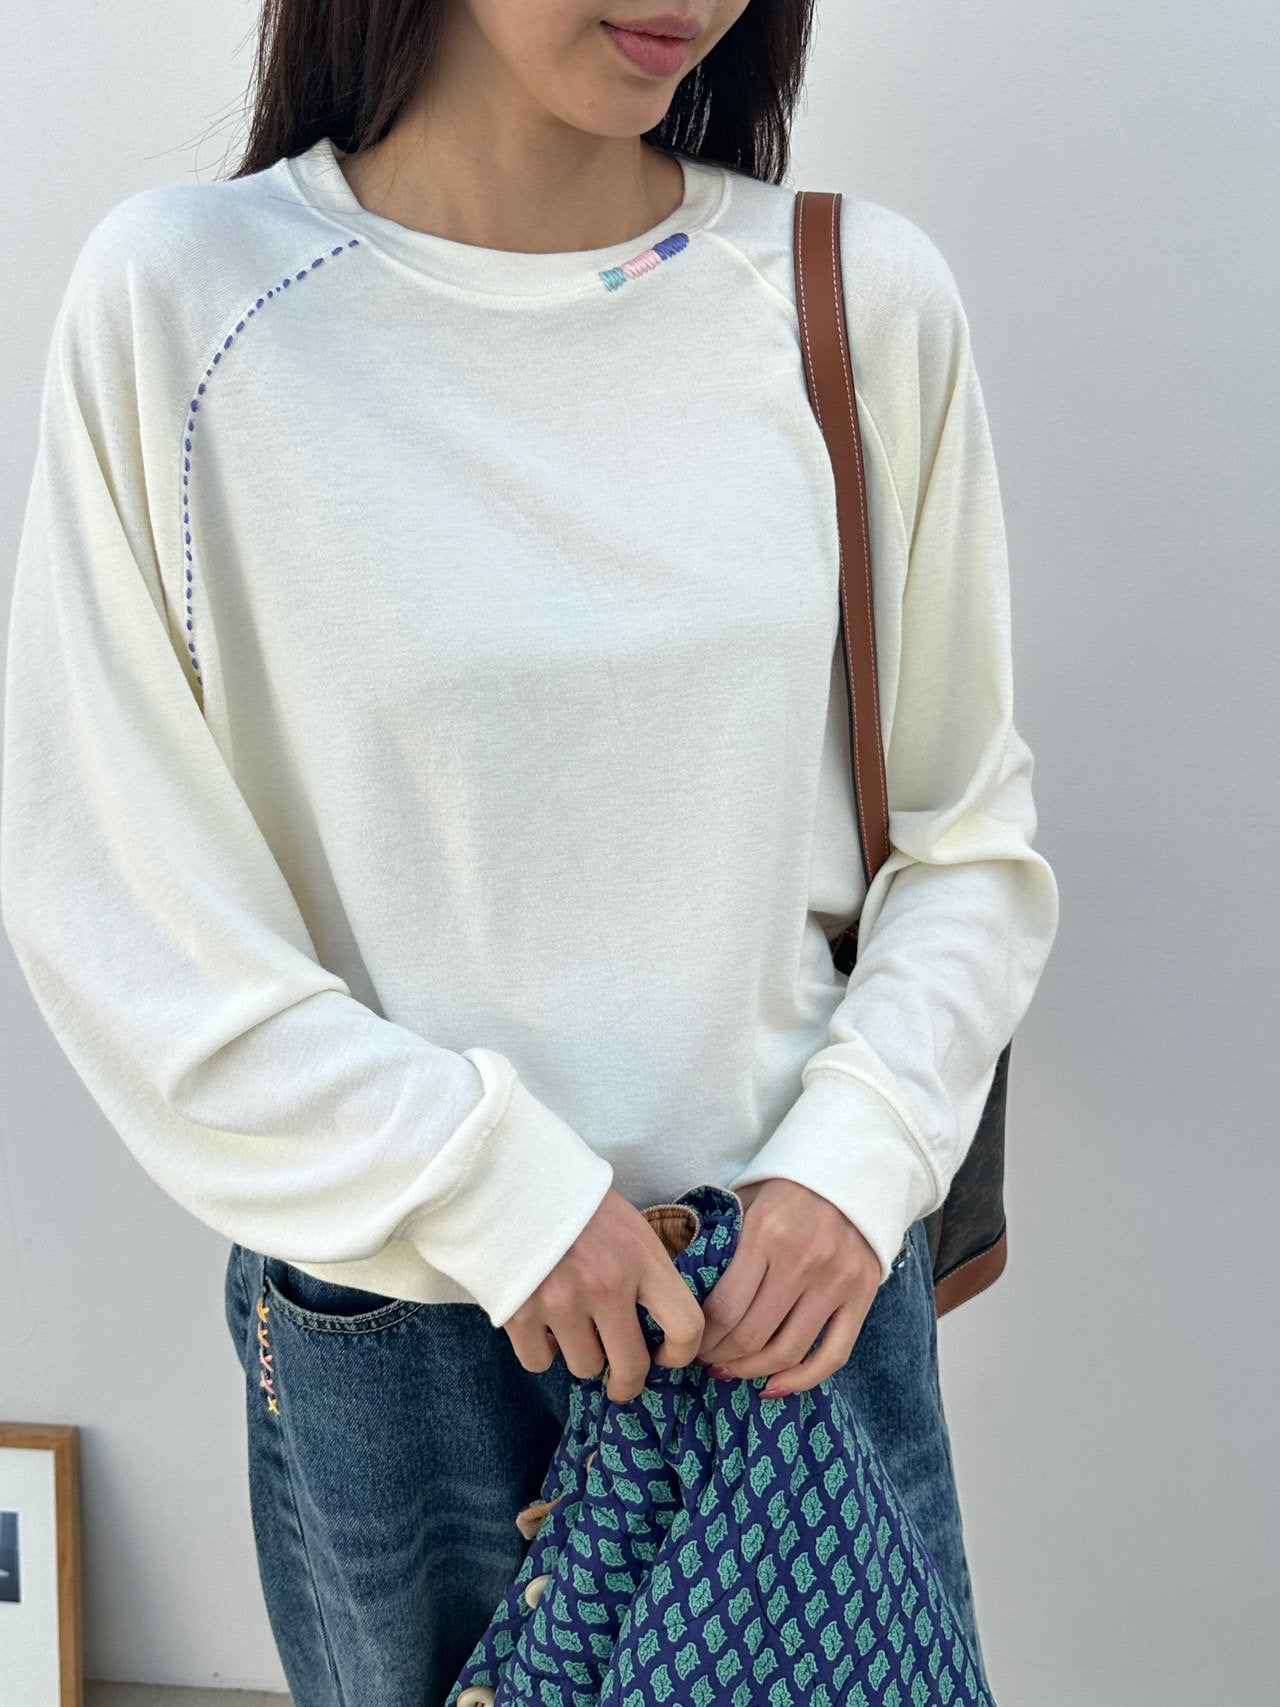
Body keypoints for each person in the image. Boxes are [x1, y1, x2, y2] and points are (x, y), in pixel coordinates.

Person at [0, 3, 1059, 1702]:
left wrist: (857, 1162)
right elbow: (118, 898)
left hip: (783, 1291)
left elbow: (966, 838)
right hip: (410, 1339)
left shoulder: (855, 298)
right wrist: (491, 1192)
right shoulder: (187, 302)